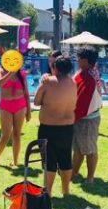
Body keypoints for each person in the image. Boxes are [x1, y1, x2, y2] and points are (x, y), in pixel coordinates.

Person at [33, 55, 77, 197]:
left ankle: (48, 192)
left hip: (49, 127)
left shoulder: (47, 82)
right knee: (65, 159)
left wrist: (43, 83)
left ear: (55, 68)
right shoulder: (73, 83)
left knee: (49, 161)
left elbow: (36, 101)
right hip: (67, 127)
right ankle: (66, 190)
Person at [71, 46, 103, 184]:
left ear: (85, 60)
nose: (77, 61)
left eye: (79, 58)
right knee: (78, 149)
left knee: (90, 149)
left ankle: (90, 177)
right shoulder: (85, 72)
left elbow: (83, 102)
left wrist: (71, 118)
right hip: (80, 118)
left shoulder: (89, 77)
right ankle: (75, 172)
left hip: (88, 119)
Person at [0, 60, 31, 166]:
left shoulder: (22, 74)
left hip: (20, 105)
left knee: (17, 134)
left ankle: (15, 161)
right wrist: (10, 73)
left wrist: (29, 111)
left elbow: (26, 93)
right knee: (5, 135)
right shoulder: (0, 71)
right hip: (6, 106)